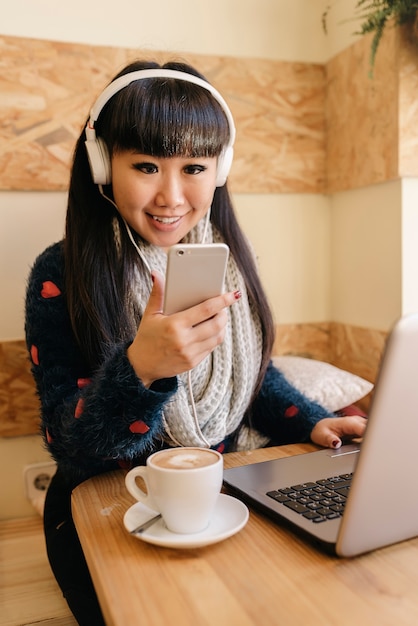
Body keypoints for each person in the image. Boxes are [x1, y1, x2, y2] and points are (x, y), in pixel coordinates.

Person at [25, 59, 367, 625]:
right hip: (106, 509)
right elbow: (67, 441)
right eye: (145, 165)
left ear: (221, 169)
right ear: (102, 162)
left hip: (222, 495)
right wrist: (138, 370)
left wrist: (311, 422)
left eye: (194, 167)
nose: (171, 195)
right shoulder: (62, 272)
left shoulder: (224, 261)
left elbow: (248, 376)